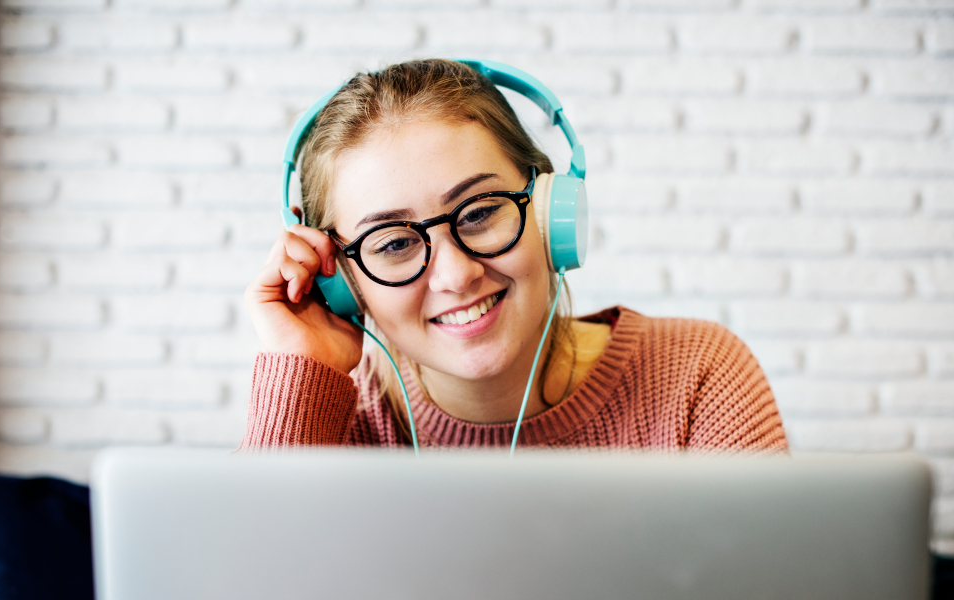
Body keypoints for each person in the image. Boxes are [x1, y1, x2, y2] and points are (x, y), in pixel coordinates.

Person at [239, 59, 788, 452]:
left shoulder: (696, 377)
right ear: (343, 280)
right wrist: (301, 375)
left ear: (550, 214)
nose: (455, 274)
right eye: (396, 243)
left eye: (479, 212)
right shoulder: (325, 431)